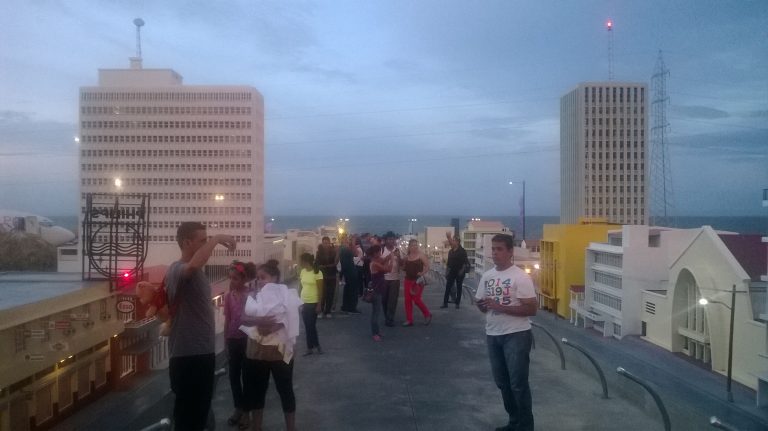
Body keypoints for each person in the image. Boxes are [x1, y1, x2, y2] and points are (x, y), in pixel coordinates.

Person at [165, 222, 236, 431]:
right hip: (189, 356)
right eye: (202, 240)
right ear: (187, 243)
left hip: (199, 354)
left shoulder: (196, 273)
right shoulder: (177, 269)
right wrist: (217, 238)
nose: (208, 245)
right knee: (190, 419)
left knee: (199, 415)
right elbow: (192, 266)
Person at [475, 234, 537, 431]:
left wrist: (500, 306)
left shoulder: (520, 277)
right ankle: (514, 422)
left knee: (518, 383)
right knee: (502, 382)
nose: (495, 253)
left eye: (500, 249)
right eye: (493, 249)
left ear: (510, 252)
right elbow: (482, 304)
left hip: (517, 334)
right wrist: (483, 305)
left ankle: (526, 426)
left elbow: (531, 309)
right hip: (493, 334)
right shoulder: (488, 276)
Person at [241, 260, 301, 431]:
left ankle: (291, 427)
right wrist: (259, 321)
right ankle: (256, 427)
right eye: (258, 278)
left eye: (263, 277)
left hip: (279, 351)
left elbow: (291, 317)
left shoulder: (287, 295)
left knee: (285, 389)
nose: (260, 281)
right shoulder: (253, 296)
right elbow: (243, 318)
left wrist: (276, 325)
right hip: (258, 351)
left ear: (274, 278)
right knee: (258, 391)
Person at [223, 261, 256, 429]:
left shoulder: (251, 295)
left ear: (243, 279)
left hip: (247, 340)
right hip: (233, 340)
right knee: (233, 377)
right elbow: (227, 319)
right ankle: (238, 408)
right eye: (230, 278)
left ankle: (247, 413)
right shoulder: (228, 297)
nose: (232, 281)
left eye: (235, 278)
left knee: (247, 377)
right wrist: (225, 342)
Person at [402, 239, 432, 326]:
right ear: (409, 247)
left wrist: (422, 273)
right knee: (407, 300)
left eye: (416, 245)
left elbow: (427, 266)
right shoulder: (407, 256)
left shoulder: (421, 255)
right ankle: (409, 320)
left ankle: (427, 314)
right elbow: (403, 267)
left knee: (416, 300)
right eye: (412, 245)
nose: (415, 247)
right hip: (408, 280)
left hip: (418, 281)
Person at [298, 253, 323, 355]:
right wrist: (298, 301)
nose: (300, 263)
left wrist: (319, 304)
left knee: (310, 326)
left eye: (301, 261)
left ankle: (313, 347)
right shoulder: (303, 271)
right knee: (309, 326)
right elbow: (300, 286)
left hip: (313, 302)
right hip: (304, 301)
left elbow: (321, 290)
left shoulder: (317, 273)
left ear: (305, 261)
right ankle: (314, 347)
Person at [367, 244, 392, 341]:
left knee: (376, 312)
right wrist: (392, 260)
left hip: (378, 289)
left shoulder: (375, 262)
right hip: (376, 291)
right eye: (379, 252)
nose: (380, 254)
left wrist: (389, 257)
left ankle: (376, 332)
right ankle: (375, 333)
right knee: (376, 313)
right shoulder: (374, 264)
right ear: (375, 253)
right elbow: (388, 269)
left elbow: (383, 260)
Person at [442, 235, 470, 309]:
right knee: (448, 287)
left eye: (454, 240)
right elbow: (448, 263)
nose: (452, 242)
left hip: (460, 272)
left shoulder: (462, 251)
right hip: (452, 271)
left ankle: (457, 303)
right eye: (453, 240)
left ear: (457, 242)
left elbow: (465, 262)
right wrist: (446, 271)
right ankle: (445, 303)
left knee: (459, 287)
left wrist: (461, 271)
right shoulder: (451, 251)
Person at [380, 231, 401, 327]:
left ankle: (390, 318)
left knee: (393, 300)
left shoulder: (398, 250)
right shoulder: (381, 250)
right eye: (389, 239)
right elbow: (379, 262)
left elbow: (402, 265)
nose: (391, 241)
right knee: (384, 300)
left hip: (395, 279)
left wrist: (400, 258)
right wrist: (390, 256)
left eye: (393, 239)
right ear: (385, 240)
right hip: (384, 278)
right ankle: (387, 316)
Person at [315, 236, 338, 318]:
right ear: (322, 243)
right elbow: (317, 264)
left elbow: (336, 263)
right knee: (322, 294)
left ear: (329, 243)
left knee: (330, 294)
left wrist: (324, 266)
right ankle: (320, 311)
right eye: (324, 243)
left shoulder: (334, 251)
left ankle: (328, 311)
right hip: (322, 276)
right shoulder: (318, 252)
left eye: (327, 243)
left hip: (332, 276)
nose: (326, 245)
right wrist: (325, 266)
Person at [338, 235, 361, 313]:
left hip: (347, 270)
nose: (348, 240)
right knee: (353, 289)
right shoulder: (345, 248)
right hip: (350, 270)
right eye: (347, 239)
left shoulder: (342, 248)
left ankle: (346, 306)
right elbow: (356, 253)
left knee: (348, 289)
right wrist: (353, 243)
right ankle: (351, 307)